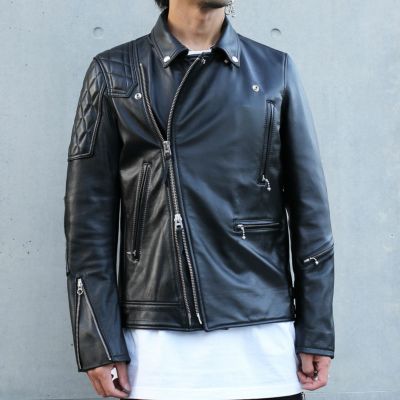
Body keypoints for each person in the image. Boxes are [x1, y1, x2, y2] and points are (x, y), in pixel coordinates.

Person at [63, 0, 335, 399]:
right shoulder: (114, 72)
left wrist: (316, 329)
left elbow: (311, 211)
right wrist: (97, 341)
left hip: (264, 343)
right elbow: (87, 225)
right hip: (157, 350)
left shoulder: (274, 69)